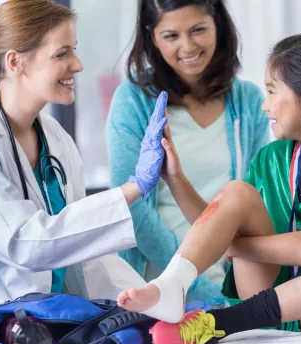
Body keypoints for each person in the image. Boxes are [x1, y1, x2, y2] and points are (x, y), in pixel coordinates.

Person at [117, 31, 301, 344]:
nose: (264, 104)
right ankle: (172, 285)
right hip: (266, 293)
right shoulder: (273, 157)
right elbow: (214, 227)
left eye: (271, 91)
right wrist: (175, 178)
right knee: (237, 193)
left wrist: (234, 245)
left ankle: (220, 323)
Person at [0, 0, 168, 340]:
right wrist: (133, 187)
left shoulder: (57, 140)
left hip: (39, 330)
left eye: (73, 50)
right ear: (16, 61)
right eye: (62, 54)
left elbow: (85, 256)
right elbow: (25, 243)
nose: (77, 64)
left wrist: (159, 303)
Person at [106, 0, 270, 303]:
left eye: (198, 30)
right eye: (171, 36)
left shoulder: (249, 101)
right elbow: (131, 207)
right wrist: (192, 284)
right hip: (156, 285)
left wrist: (232, 295)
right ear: (151, 36)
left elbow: (259, 202)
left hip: (235, 286)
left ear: (217, 23)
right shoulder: (132, 99)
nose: (187, 46)